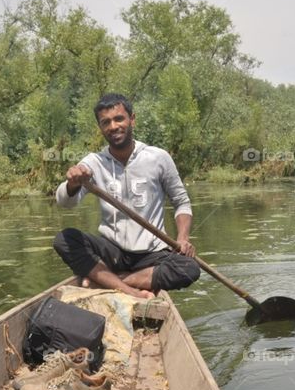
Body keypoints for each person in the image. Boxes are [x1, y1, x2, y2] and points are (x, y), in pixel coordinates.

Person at [52, 93, 200, 299]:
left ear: (132, 119)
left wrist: (183, 238)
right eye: (106, 122)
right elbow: (64, 202)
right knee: (64, 240)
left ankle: (106, 282)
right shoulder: (93, 162)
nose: (113, 126)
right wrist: (73, 183)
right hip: (114, 252)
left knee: (188, 268)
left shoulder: (158, 157)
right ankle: (130, 290)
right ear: (101, 128)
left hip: (153, 253)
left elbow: (181, 202)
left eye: (119, 119)